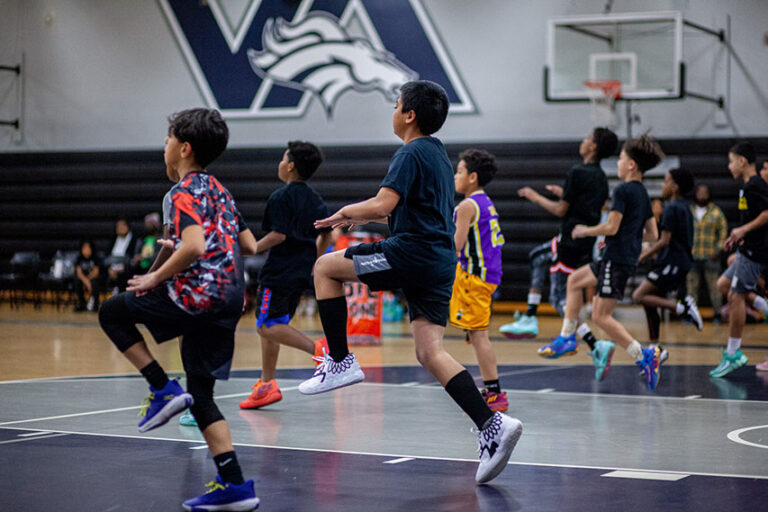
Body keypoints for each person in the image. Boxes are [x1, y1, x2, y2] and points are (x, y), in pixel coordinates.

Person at [297, 80, 522, 484]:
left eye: (396, 104)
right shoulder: (437, 155)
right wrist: (363, 217)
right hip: (439, 263)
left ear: (409, 114)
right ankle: (492, 425)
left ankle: (340, 360)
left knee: (324, 269)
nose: (394, 110)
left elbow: (384, 204)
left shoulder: (410, 151)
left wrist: (345, 212)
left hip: (413, 253)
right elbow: (402, 213)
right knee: (429, 350)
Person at [97, 108, 260, 510]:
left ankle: (159, 386)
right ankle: (235, 484)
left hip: (196, 295)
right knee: (201, 394)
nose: (163, 146)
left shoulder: (181, 192)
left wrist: (154, 279)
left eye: (167, 139)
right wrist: (161, 265)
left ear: (184, 148)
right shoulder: (221, 191)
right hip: (230, 300)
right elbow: (249, 246)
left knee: (111, 313)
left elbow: (194, 247)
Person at [540, 134, 663, 388]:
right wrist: (630, 235)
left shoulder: (623, 189)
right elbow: (653, 234)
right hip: (617, 256)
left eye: (620, 159)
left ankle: (644, 355)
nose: (617, 163)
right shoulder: (641, 193)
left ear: (631, 165)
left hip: (616, 259)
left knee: (601, 317)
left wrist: (584, 230)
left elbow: (611, 226)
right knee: (574, 281)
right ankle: (566, 337)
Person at [500, 128, 617, 348]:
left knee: (559, 299)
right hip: (583, 240)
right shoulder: (601, 177)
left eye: (586, 138)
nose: (582, 141)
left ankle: (594, 344)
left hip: (570, 240)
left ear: (593, 146)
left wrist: (536, 197)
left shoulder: (578, 172)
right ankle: (530, 315)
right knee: (537, 257)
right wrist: (561, 192)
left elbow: (561, 210)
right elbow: (587, 203)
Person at [238, 141, 332, 410]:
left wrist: (254, 247)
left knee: (264, 325)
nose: (279, 163)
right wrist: (316, 257)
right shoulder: (316, 199)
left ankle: (320, 351)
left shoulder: (280, 197)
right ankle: (267, 384)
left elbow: (278, 235)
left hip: (278, 272)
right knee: (275, 326)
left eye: (282, 159)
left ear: (290, 165)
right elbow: (326, 233)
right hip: (301, 271)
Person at [449, 148, 507, 412]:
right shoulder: (485, 201)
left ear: (472, 177)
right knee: (476, 333)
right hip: (485, 275)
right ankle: (492, 389)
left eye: (459, 171)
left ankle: (495, 392)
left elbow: (456, 246)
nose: (454, 176)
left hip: (474, 277)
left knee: (479, 335)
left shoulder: (466, 206)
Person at [710, 142, 768, 378]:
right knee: (723, 285)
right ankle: (765, 307)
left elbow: (766, 214)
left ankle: (733, 352)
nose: (729, 165)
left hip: (755, 253)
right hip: (746, 249)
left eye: (731, 160)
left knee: (735, 296)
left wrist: (743, 230)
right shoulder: (746, 187)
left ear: (742, 161)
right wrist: (737, 236)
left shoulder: (756, 185)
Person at [632, 169, 702, 351]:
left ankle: (682, 308)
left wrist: (642, 255)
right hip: (676, 261)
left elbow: (664, 240)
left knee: (638, 296)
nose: (662, 186)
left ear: (675, 187)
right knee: (649, 302)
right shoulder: (685, 206)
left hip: (672, 263)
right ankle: (655, 348)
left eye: (666, 182)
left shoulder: (671, 207)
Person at [687, 184, 728, 323]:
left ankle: (717, 315)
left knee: (715, 288)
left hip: (711, 255)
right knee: (691, 288)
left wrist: (718, 250)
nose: (702, 194)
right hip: (692, 254)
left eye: (705, 192)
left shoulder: (716, 212)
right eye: (700, 192)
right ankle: (692, 315)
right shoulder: (689, 211)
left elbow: (723, 232)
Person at [104, 217, 137, 293]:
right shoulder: (113, 239)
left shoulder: (135, 240)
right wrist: (110, 269)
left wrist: (121, 269)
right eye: (118, 226)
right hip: (111, 269)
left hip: (125, 269)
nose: (120, 228)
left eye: (122, 226)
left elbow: (133, 259)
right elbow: (107, 256)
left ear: (128, 227)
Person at [74, 239, 101, 312]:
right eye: (84, 248)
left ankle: (95, 304)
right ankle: (81, 303)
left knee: (94, 282)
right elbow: (79, 273)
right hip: (83, 278)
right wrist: (86, 282)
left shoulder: (96, 258)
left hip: (92, 278)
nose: (86, 251)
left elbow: (96, 272)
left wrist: (88, 280)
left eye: (88, 248)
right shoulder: (79, 258)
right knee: (77, 281)